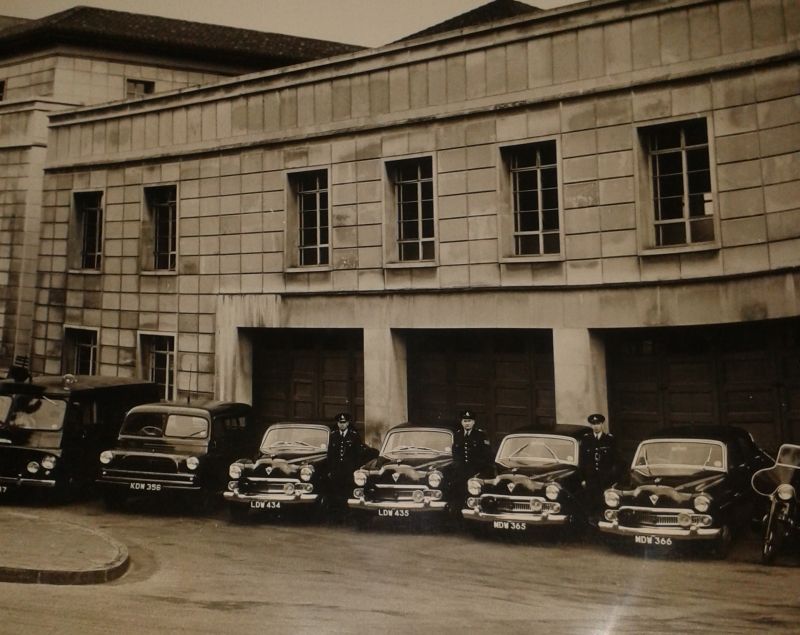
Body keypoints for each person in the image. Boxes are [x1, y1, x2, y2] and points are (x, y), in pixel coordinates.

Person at [581, 413, 618, 523]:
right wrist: (583, 478)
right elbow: (582, 461)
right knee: (590, 502)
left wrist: (613, 478)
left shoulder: (609, 439)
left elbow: (615, 460)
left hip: (605, 478)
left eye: (598, 424)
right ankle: (591, 526)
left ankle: (604, 523)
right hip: (590, 478)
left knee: (604, 502)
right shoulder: (586, 440)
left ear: (602, 424)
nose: (596, 426)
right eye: (593, 424)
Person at [326, 412, 363, 519]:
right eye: (340, 423)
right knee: (336, 492)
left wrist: (356, 469)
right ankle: (338, 515)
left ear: (348, 423)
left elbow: (358, 454)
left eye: (344, 422)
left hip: (349, 470)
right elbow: (330, 454)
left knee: (348, 491)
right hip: (336, 470)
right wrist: (330, 470)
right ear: (337, 424)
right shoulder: (333, 435)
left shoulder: (354, 436)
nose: (342, 425)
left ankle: (348, 515)